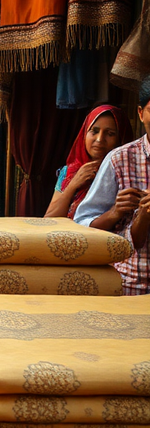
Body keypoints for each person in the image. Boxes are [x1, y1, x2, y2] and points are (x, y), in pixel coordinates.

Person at [76, 76, 150, 296]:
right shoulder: (120, 160)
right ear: (140, 113)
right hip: (132, 285)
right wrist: (116, 212)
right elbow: (82, 224)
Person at [46, 105, 131, 218]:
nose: (99, 139)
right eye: (94, 131)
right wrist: (73, 185)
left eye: (110, 134)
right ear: (84, 134)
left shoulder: (127, 173)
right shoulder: (69, 172)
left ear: (121, 139)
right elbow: (49, 219)